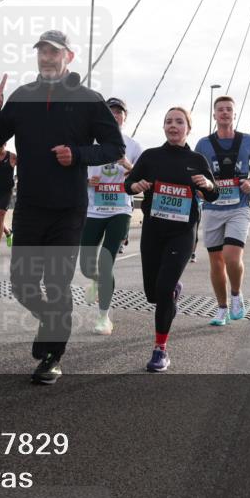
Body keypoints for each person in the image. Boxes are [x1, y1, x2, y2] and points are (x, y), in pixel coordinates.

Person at [0, 29, 124, 384]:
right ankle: (51, 323)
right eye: (42, 52)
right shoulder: (23, 96)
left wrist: (77, 155)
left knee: (57, 283)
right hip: (29, 204)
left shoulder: (89, 99)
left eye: (54, 52)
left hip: (68, 209)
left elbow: (114, 147)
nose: (47, 57)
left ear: (69, 57)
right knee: (22, 284)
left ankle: (53, 356)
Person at [125, 107, 218, 371]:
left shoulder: (197, 160)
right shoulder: (151, 156)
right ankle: (171, 293)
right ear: (163, 127)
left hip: (182, 232)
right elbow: (128, 184)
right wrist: (137, 186)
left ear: (188, 128)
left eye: (179, 122)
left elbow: (213, 194)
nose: (173, 126)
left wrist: (209, 186)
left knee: (164, 288)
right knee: (153, 293)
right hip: (153, 230)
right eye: (168, 121)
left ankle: (160, 350)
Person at [194, 95, 250, 327]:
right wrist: (198, 189)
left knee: (231, 256)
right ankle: (221, 308)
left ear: (234, 114)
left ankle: (236, 294)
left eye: (228, 109)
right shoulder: (203, 144)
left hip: (239, 207)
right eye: (220, 110)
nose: (224, 113)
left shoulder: (248, 140)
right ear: (214, 115)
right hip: (212, 207)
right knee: (216, 262)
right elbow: (193, 171)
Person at [80, 97, 143, 336]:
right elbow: (73, 169)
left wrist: (126, 164)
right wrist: (86, 180)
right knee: (87, 266)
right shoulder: (89, 143)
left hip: (120, 209)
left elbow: (142, 177)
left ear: (125, 118)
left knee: (106, 263)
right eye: (110, 111)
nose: (115, 115)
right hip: (92, 210)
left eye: (119, 112)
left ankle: (104, 317)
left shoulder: (134, 146)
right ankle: (95, 280)